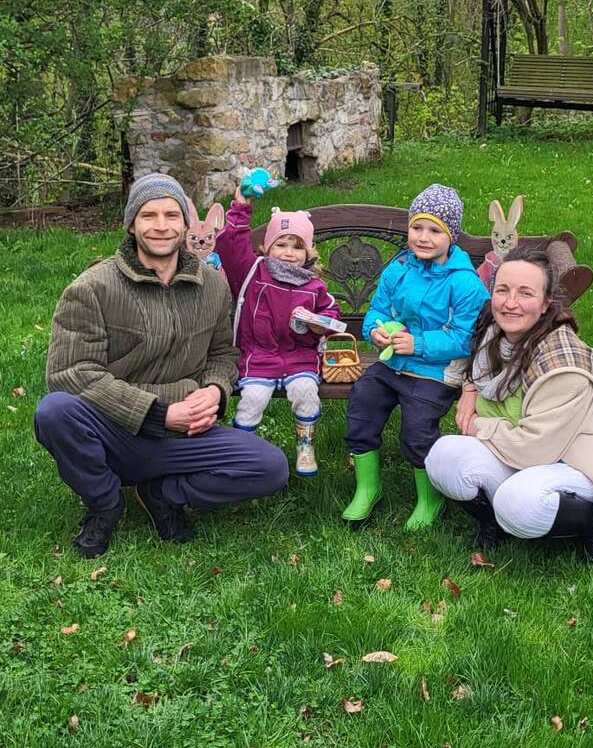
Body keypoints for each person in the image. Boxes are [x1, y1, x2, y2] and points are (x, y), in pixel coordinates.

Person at [34, 174, 289, 560]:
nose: (161, 226)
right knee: (54, 411)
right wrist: (159, 413)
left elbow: (224, 353)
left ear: (186, 225)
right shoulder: (93, 288)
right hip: (114, 431)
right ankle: (105, 504)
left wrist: (216, 390)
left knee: (271, 468)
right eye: (148, 215)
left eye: (172, 215)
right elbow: (70, 372)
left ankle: (162, 493)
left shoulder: (212, 285)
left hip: (185, 436)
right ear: (131, 224)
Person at [425, 247, 593, 567]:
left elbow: (532, 450)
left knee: (517, 503)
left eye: (525, 293)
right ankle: (493, 521)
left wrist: (478, 425)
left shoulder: (562, 365)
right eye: (503, 290)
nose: (510, 302)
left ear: (547, 303)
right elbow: (472, 362)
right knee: (441, 457)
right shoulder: (495, 330)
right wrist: (468, 389)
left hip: (572, 462)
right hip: (516, 446)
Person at [342, 183, 487, 530]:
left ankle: (429, 498)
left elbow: (465, 338)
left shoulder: (464, 283)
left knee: (417, 428)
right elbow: (378, 309)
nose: (423, 237)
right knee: (363, 402)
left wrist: (418, 344)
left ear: (451, 235)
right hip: (393, 363)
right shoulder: (399, 269)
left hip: (436, 372)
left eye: (435, 230)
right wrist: (375, 329)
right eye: (417, 228)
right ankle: (368, 487)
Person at [215, 193, 341, 476]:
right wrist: (241, 207)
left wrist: (319, 324)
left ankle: (305, 446)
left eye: (297, 247)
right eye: (280, 244)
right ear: (266, 248)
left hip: (300, 358)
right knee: (254, 398)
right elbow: (229, 245)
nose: (288, 252)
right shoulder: (253, 273)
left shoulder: (314, 285)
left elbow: (332, 315)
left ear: (309, 252)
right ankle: (243, 450)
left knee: (306, 392)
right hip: (259, 357)